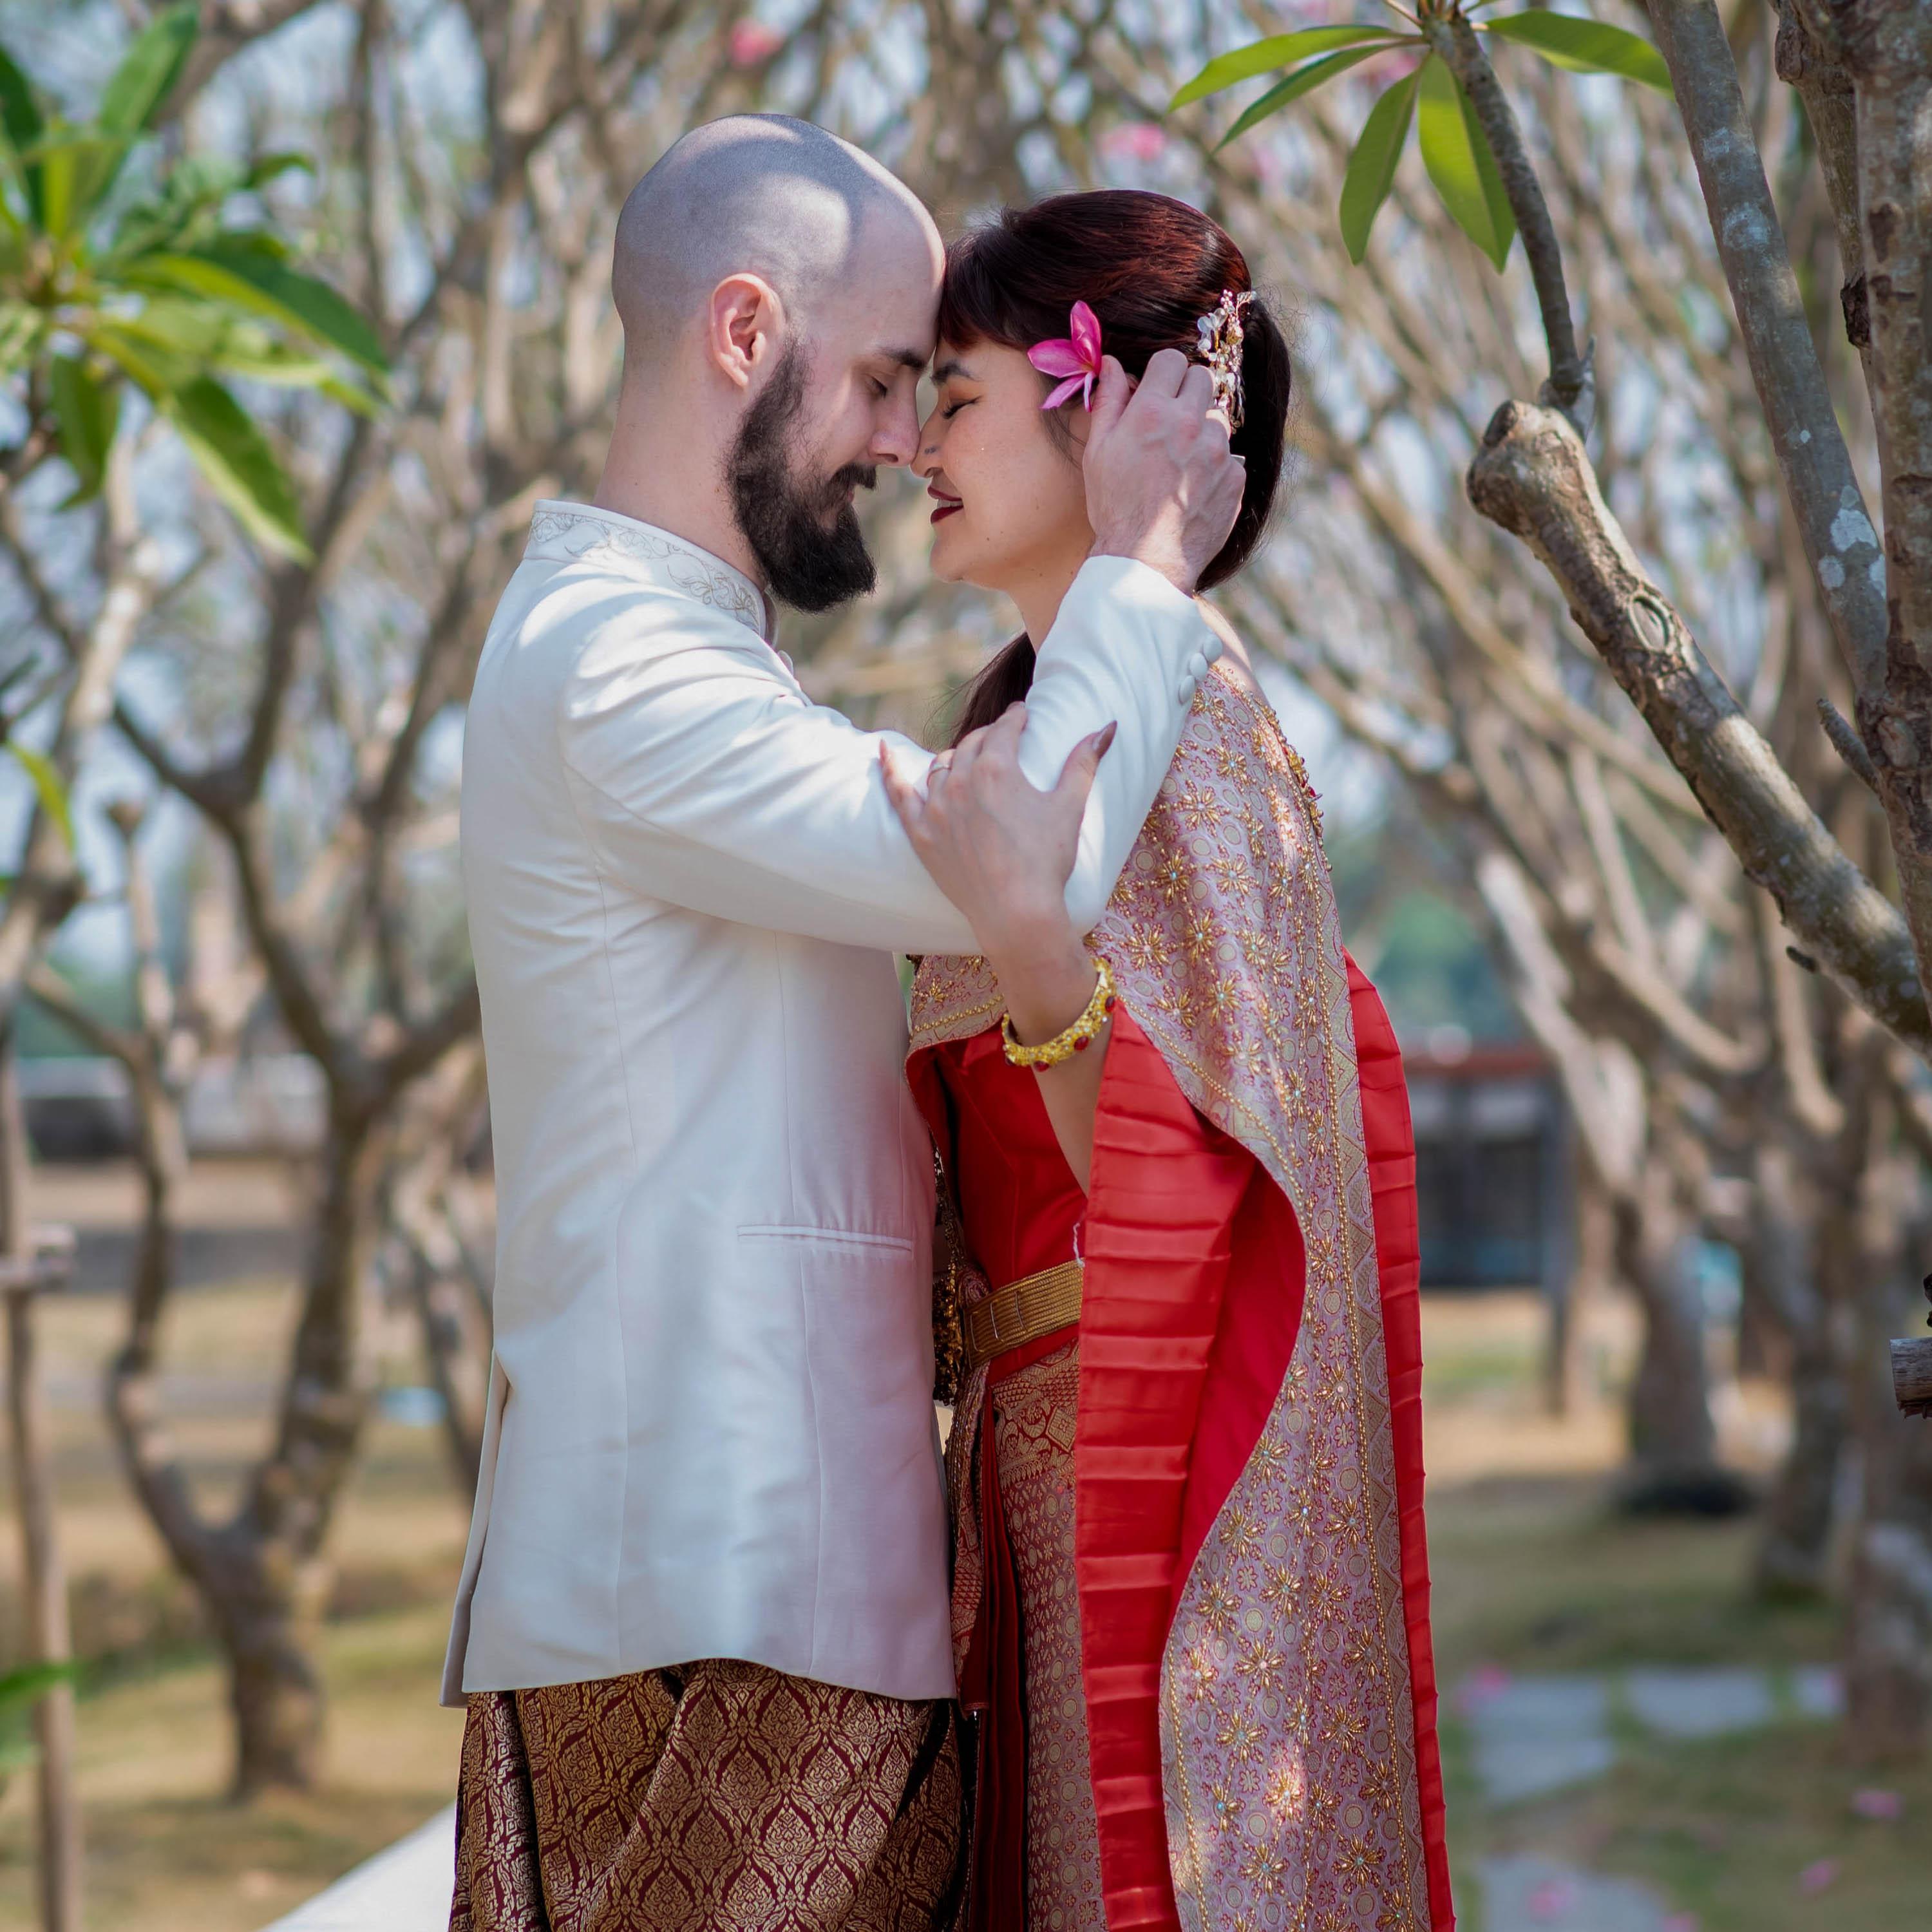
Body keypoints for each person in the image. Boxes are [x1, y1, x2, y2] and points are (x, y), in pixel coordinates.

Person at [443, 120, 1246, 1929]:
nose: (902, 443)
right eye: (884, 380)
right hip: (716, 1587)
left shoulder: (675, 657)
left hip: (756, 1584)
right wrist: (1140, 561)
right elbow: (1028, 853)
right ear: (744, 333)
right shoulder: (614, 668)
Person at [880, 191, 1455, 1931]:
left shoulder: (1181, 710)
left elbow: (1195, 1167)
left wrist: (1039, 964)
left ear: (1111, 409)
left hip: (1152, 1450)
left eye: (957, 396)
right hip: (1047, 1455)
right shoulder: (1052, 705)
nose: (915, 447)